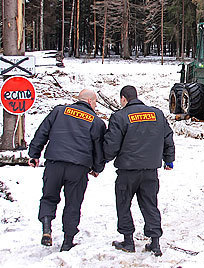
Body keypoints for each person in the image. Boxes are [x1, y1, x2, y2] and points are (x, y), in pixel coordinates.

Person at [28, 89, 106, 251]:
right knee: (73, 203)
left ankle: (47, 228)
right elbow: (98, 149)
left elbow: (42, 133)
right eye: (96, 102)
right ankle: (67, 241)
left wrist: (34, 154)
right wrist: (97, 168)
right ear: (91, 102)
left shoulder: (59, 111)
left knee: (49, 197)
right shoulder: (96, 122)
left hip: (54, 163)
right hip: (78, 169)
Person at [104, 85, 175, 257]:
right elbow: (168, 138)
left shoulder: (119, 116)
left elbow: (111, 145)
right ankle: (155, 243)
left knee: (123, 204)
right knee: (150, 205)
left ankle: (128, 241)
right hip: (150, 171)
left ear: (123, 99)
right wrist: (169, 159)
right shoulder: (157, 114)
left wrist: (100, 161)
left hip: (127, 171)